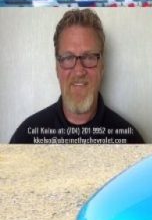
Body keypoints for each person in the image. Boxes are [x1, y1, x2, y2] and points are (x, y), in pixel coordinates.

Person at [10, 9, 144, 144]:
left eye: (89, 57)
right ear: (57, 68)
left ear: (102, 66)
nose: (79, 71)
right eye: (68, 58)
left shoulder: (130, 140)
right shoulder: (26, 136)